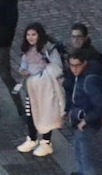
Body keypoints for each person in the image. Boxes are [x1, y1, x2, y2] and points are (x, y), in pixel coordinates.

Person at [14, 23, 66, 158]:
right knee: (30, 112)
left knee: (46, 113)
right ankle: (31, 138)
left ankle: (46, 142)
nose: (31, 38)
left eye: (33, 35)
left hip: (46, 87)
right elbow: (24, 63)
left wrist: (44, 75)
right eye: (28, 35)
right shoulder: (27, 49)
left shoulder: (48, 49)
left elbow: (56, 67)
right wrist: (23, 70)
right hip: (32, 88)